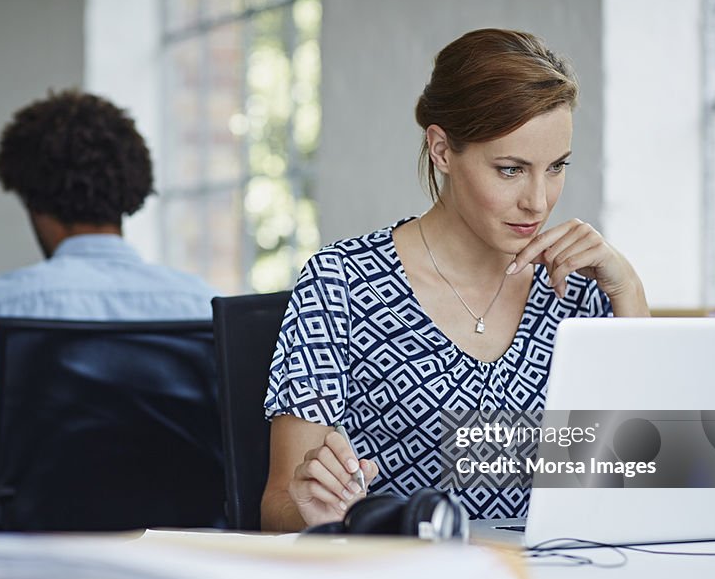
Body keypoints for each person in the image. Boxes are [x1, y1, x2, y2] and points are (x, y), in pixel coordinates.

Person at [261, 29, 650, 531]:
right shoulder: (343, 284)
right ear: (442, 150)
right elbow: (277, 506)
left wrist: (630, 295)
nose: (538, 200)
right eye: (510, 170)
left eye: (556, 167)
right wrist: (315, 515)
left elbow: (646, 484)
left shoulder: (581, 290)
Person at [0, 90, 216, 488]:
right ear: (130, 193)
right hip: (177, 547)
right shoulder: (204, 305)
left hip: (36, 548)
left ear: (35, 205)